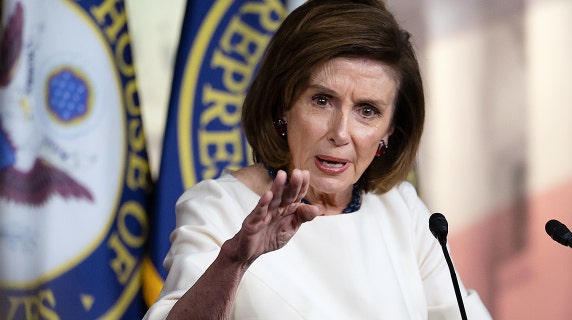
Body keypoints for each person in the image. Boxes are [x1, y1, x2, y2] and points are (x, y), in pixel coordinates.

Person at [144, 0, 492, 318]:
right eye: (322, 100)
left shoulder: (400, 209)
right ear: (284, 103)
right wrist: (233, 262)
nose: (340, 133)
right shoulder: (219, 208)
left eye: (367, 111)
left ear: (389, 131)